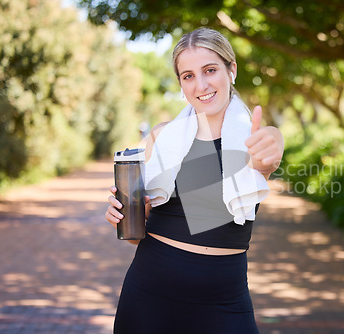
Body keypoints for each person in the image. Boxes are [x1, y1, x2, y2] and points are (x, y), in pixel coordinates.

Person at [105, 27, 284, 333]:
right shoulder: (162, 137)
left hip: (224, 303)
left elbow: (268, 158)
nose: (201, 84)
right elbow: (137, 237)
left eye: (210, 70)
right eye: (188, 76)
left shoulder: (254, 139)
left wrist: (273, 146)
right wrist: (126, 218)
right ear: (180, 83)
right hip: (148, 295)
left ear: (232, 70)